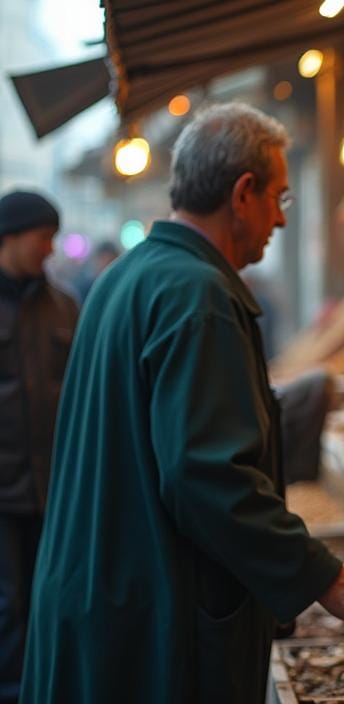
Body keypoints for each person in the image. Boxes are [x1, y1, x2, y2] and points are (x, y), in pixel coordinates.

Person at [21, 104, 344, 704]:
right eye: (279, 197)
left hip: (98, 594)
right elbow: (206, 474)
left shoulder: (128, 277)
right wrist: (322, 575)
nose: (280, 219)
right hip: (150, 616)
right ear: (243, 193)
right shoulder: (197, 295)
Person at [0, 191, 75, 704]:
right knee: (6, 608)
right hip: (1, 495)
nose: (49, 250)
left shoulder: (65, 307)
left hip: (56, 490)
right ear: (11, 237)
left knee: (54, 599)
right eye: (42, 238)